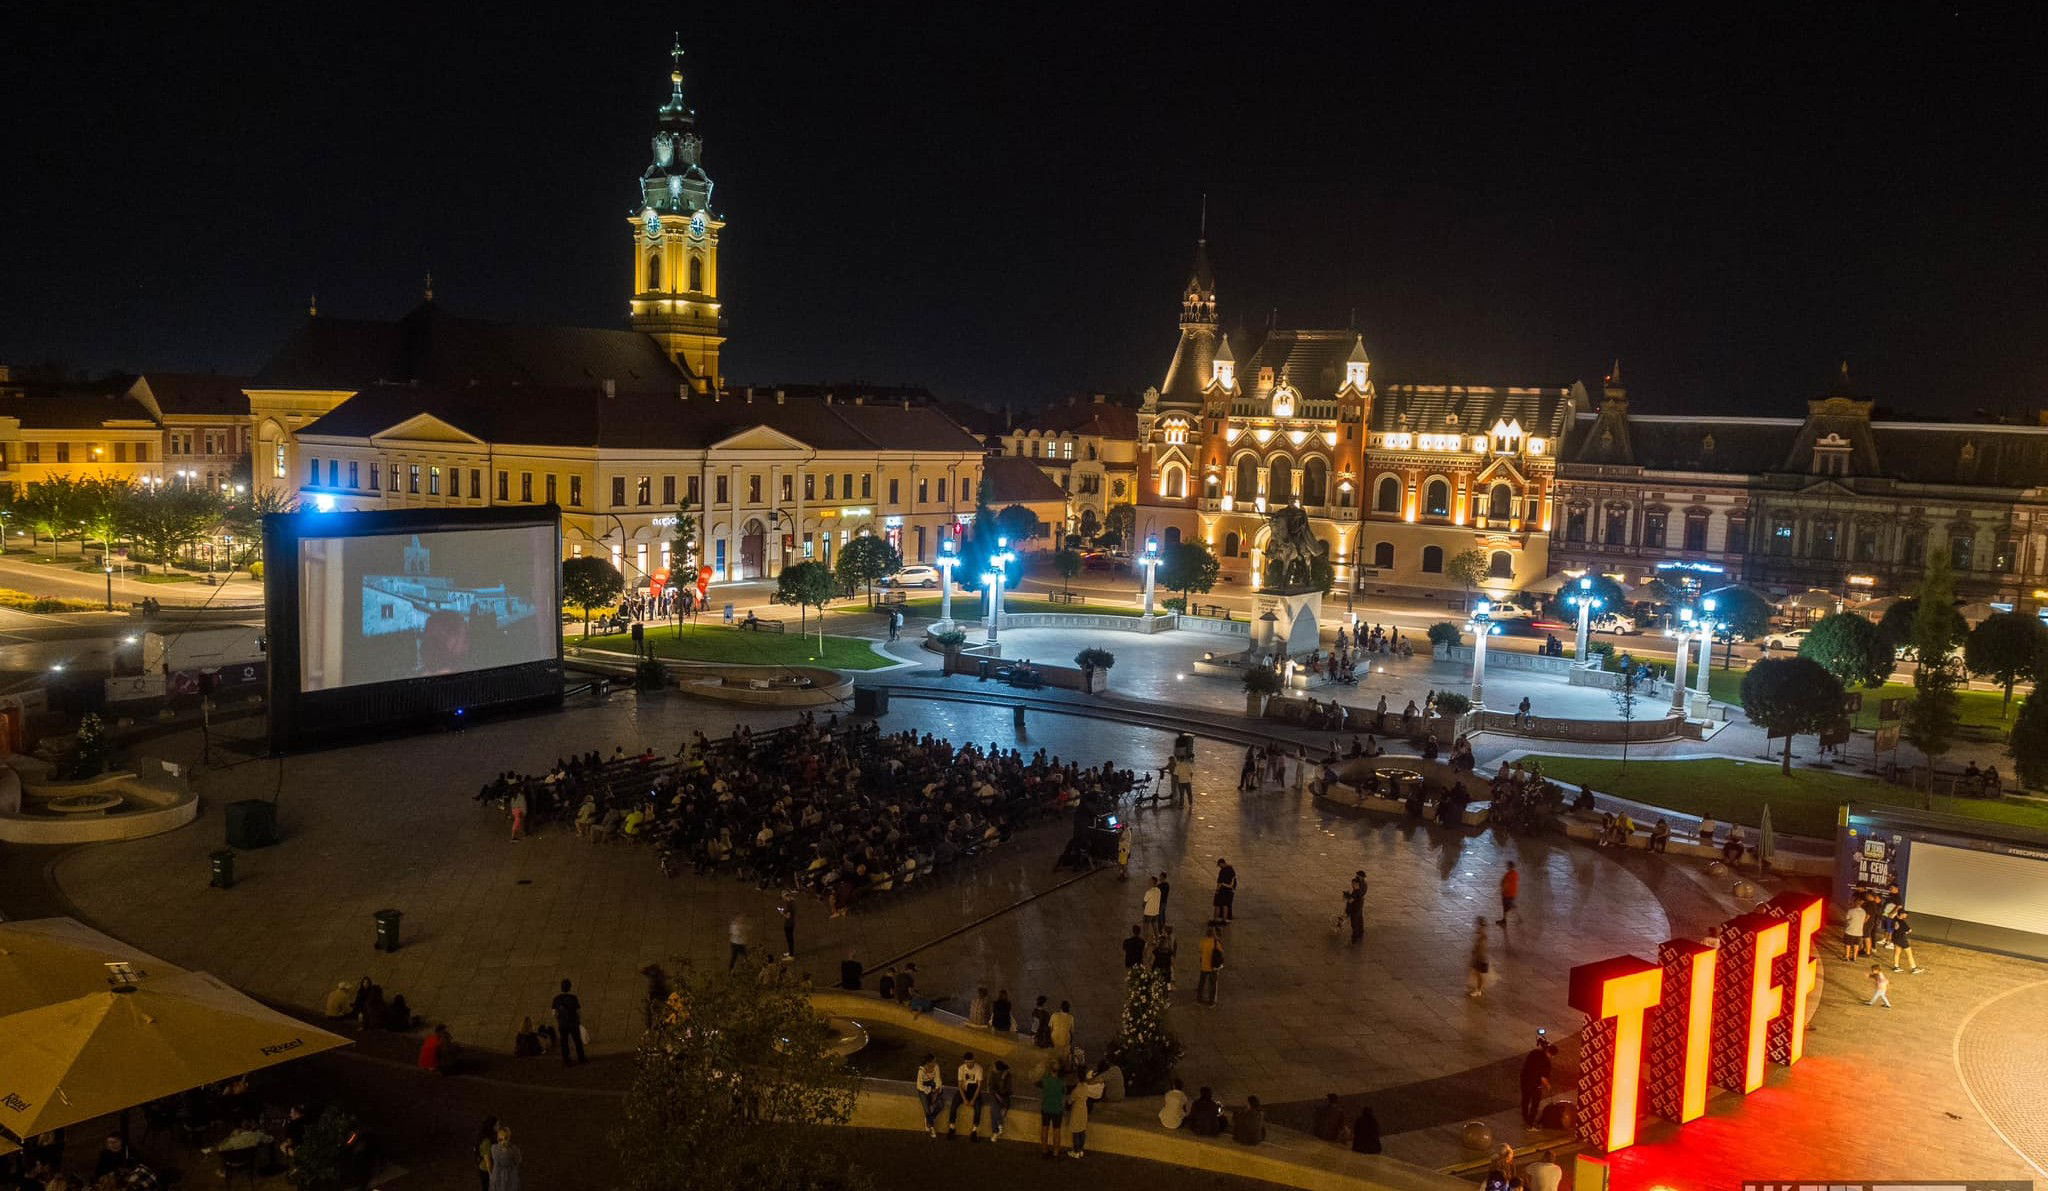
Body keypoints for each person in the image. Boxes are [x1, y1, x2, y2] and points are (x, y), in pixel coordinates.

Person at [1066, 1068, 1105, 1158]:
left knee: (1076, 1131)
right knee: (1082, 1130)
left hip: (1077, 1110)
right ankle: (1081, 1150)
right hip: (1084, 1109)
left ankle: (1075, 1151)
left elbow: (1070, 1100)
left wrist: (1068, 1103)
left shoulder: (1077, 1089)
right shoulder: (1086, 1087)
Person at [1519, 1038, 1557, 1126]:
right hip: (1535, 1085)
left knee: (1525, 1100)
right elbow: (1543, 1078)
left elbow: (1526, 1064)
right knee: (1535, 1104)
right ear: (1551, 1054)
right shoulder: (1547, 1063)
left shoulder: (1534, 1053)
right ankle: (1530, 1123)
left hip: (1524, 1080)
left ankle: (1525, 1117)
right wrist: (1548, 1086)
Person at [951, 1051, 985, 1139]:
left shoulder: (979, 1068)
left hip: (974, 1091)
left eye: (971, 1062)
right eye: (967, 1062)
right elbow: (959, 1085)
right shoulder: (961, 1068)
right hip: (964, 1090)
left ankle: (974, 1130)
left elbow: (979, 1086)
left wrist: (973, 1099)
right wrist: (964, 1099)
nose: (969, 1064)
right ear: (964, 1061)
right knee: (954, 1104)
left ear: (974, 1060)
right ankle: (952, 1127)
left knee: (978, 1107)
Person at [552, 978, 586, 1065]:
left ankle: (566, 1059)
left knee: (564, 1042)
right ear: (570, 987)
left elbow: (554, 1013)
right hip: (573, 1022)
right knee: (577, 1041)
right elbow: (578, 1011)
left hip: (562, 1023)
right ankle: (581, 1058)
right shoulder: (573, 998)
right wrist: (578, 1020)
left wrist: (559, 1019)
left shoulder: (556, 999)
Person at [1038, 1068, 1068, 1158]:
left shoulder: (1045, 1080)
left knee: (1044, 1129)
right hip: (1057, 1109)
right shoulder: (1062, 1082)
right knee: (1057, 1131)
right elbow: (1064, 1093)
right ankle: (1056, 1152)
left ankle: (1044, 1150)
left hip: (1046, 1108)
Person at [915, 1054, 944, 1137]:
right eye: (933, 1061)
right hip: (923, 1090)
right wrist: (929, 1090)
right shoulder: (921, 1071)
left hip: (934, 1088)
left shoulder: (936, 1067)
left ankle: (930, 1118)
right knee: (927, 1109)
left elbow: (938, 1079)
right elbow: (919, 1085)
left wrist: (936, 1092)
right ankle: (931, 1128)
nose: (935, 1063)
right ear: (928, 1063)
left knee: (941, 1105)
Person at [1196, 924, 1224, 1005]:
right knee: (1212, 985)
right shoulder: (1215, 943)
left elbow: (1200, 950)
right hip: (1213, 966)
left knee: (1202, 983)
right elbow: (1221, 951)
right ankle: (1211, 1001)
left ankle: (1199, 998)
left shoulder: (1203, 942)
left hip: (1204, 966)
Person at [489, 1125, 522, 1191]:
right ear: (498, 1138)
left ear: (509, 1137)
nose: (503, 1142)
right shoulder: (494, 1148)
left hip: (510, 1177)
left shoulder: (514, 1149)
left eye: (506, 1138)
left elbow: (518, 1161)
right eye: (500, 1139)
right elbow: (498, 1160)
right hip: (498, 1176)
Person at [987, 1059, 1012, 1139]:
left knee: (993, 1110)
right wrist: (997, 1095)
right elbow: (991, 1088)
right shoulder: (992, 1074)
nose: (993, 1069)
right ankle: (1000, 1124)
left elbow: (1006, 1091)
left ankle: (995, 1132)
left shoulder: (1007, 1076)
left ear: (999, 1070)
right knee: (993, 1105)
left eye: (994, 1068)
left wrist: (1002, 1079)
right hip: (995, 1096)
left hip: (1004, 1097)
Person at [1468, 916, 1491, 997]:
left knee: (1479, 974)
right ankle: (1478, 988)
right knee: (1477, 973)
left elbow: (1481, 948)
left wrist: (1475, 954)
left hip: (1481, 959)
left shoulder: (1483, 936)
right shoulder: (1481, 934)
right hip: (1480, 958)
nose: (1477, 927)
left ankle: (1478, 990)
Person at [475, 1116, 498, 1191]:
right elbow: (488, 1161)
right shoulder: (487, 1141)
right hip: (486, 1170)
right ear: (492, 1126)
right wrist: (492, 1175)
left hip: (485, 1168)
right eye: (497, 1125)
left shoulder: (489, 1138)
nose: (498, 1127)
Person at [1213, 856, 1238, 922]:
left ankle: (1216, 919)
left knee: (1217, 904)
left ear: (1222, 863)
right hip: (1230, 890)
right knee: (1226, 905)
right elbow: (1234, 879)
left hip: (1222, 890)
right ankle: (1225, 919)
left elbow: (1220, 882)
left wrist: (1217, 891)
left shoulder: (1222, 871)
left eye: (1219, 865)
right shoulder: (1231, 869)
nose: (1219, 867)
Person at [1344, 874, 1366, 942]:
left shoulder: (1356, 892)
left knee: (1354, 923)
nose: (1352, 885)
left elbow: (1351, 900)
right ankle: (1361, 933)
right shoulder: (1359, 891)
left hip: (1355, 910)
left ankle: (1355, 937)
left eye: (1353, 883)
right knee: (1360, 920)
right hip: (1359, 908)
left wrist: (1346, 896)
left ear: (1356, 884)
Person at [1497, 861, 1520, 927]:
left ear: (1509, 866)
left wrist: (1502, 890)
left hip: (1507, 893)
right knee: (1510, 906)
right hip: (1513, 893)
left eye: (1507, 865)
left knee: (1507, 907)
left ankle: (1505, 920)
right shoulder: (1515, 873)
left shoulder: (1508, 875)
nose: (1506, 866)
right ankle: (1517, 918)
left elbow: (1506, 883)